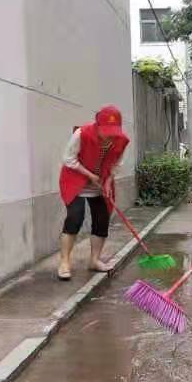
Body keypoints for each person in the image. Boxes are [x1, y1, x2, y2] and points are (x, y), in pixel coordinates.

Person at [57, 105, 129, 281]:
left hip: (101, 182)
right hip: (75, 180)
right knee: (75, 216)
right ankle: (65, 262)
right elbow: (68, 159)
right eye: (106, 130)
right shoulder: (82, 133)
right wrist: (90, 176)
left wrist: (107, 181)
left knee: (102, 218)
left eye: (113, 131)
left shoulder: (121, 140)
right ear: (98, 125)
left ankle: (94, 261)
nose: (110, 135)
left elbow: (115, 165)